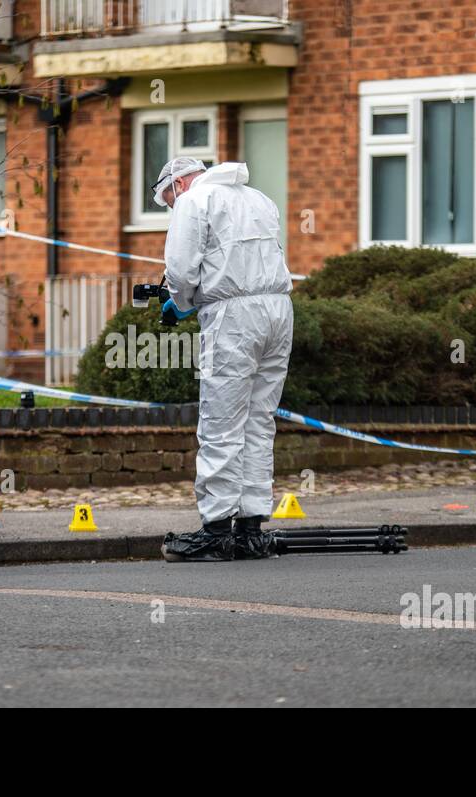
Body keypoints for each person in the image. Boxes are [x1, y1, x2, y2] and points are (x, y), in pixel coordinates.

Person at [151, 157, 294, 562]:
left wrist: (178, 303)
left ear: (178, 183)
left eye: (166, 199)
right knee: (258, 421)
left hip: (234, 318)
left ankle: (215, 530)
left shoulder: (193, 201)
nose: (170, 207)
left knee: (220, 423)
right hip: (279, 312)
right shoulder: (260, 199)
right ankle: (249, 528)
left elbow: (179, 272)